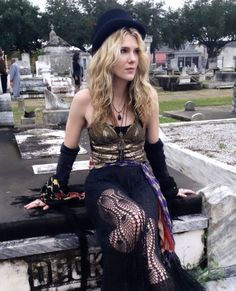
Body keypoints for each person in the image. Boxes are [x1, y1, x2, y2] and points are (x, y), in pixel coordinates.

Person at [25, 8, 204, 291]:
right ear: (107, 54)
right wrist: (52, 193)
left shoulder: (148, 97)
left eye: (136, 51)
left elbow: (155, 150)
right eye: (123, 51)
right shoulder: (85, 100)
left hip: (139, 179)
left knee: (148, 244)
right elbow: (68, 152)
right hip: (103, 180)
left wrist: (169, 190)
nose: (132, 58)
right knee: (133, 219)